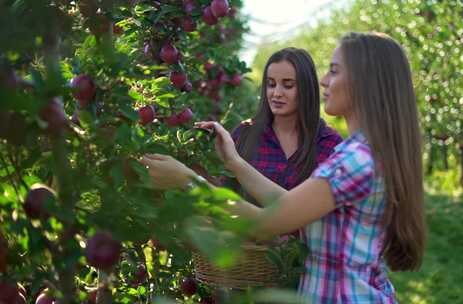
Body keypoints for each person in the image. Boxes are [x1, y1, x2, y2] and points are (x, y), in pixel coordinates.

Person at [141, 32, 426, 303]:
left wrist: (187, 181)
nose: (324, 80)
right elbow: (290, 207)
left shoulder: (353, 160)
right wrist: (234, 162)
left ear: (365, 82)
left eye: (335, 71)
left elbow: (264, 224)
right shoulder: (363, 153)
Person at [227, 47, 342, 202]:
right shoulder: (244, 134)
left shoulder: (330, 144)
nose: (276, 93)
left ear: (306, 88)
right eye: (271, 84)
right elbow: (225, 195)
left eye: (288, 85)